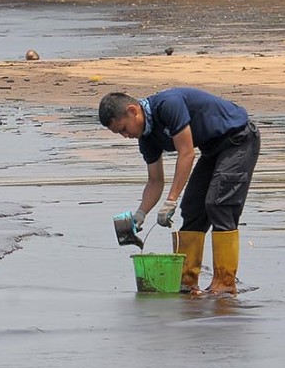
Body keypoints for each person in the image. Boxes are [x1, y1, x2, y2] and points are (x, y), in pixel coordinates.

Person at [99, 88, 261, 296]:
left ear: (133, 111)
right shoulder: (146, 138)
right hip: (212, 150)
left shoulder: (168, 105)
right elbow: (155, 181)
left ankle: (225, 284)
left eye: (123, 129)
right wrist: (141, 214)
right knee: (192, 209)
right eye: (119, 133)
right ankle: (187, 281)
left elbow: (186, 153)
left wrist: (171, 200)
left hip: (239, 140)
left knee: (218, 204)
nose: (125, 136)